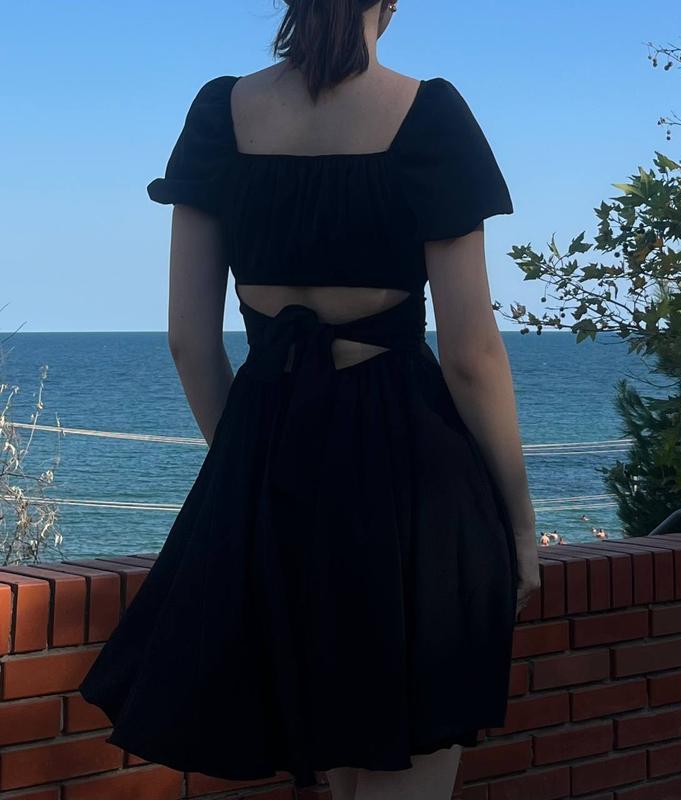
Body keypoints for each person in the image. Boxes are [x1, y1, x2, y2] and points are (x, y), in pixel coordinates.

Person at [78, 1, 540, 798]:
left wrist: (251, 470)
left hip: (273, 457)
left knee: (329, 755)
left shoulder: (218, 112)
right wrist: (521, 526)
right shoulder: (428, 113)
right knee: (403, 759)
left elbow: (190, 342)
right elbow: (471, 355)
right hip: (410, 474)